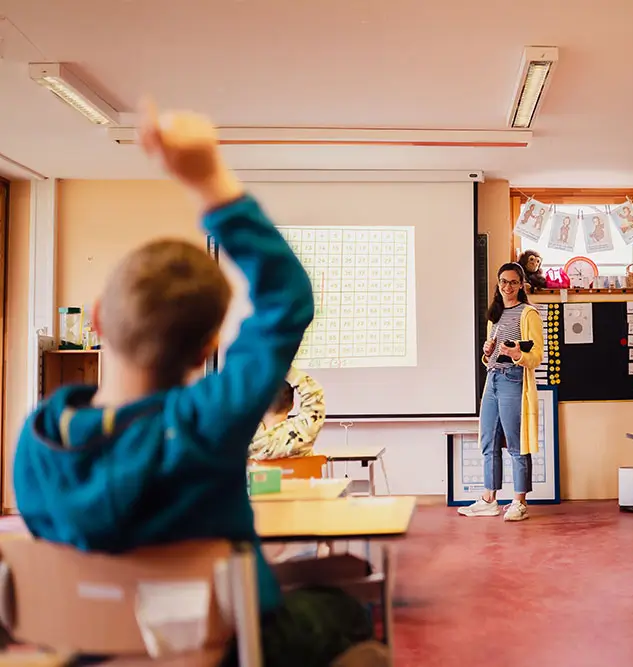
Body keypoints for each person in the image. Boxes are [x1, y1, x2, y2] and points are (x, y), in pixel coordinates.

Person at [12, 102, 384, 666]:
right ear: (211, 345)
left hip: (91, 649)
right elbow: (286, 300)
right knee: (344, 611)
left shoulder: (37, 441)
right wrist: (209, 178)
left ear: (96, 320)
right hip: (224, 649)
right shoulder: (204, 423)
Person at [458, 263, 543, 522]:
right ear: (497, 283)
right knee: (488, 442)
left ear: (521, 285)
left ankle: (519, 502)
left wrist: (518, 354)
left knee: (516, 443)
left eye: (513, 282)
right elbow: (491, 355)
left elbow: (537, 354)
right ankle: (489, 500)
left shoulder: (528, 314)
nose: (508, 287)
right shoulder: (494, 315)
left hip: (513, 379)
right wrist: (487, 354)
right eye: (503, 282)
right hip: (492, 378)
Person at [249, 367, 326, 460]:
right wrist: (285, 368)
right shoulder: (302, 433)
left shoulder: (244, 440)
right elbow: (314, 396)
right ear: (292, 405)